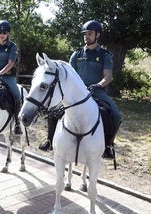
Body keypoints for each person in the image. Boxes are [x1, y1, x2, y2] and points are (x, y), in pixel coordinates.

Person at [38, 20, 121, 159]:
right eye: (85, 34)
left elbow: (108, 76)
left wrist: (99, 85)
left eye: (90, 34)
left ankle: (108, 146)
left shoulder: (105, 55)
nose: (86, 36)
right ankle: (49, 140)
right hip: (76, 91)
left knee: (115, 115)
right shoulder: (76, 54)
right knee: (53, 110)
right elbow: (68, 74)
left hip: (97, 91)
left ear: (97, 35)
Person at [0, 19, 22, 135]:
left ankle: (17, 122)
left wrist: (0, 73)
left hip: (7, 76)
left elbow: (11, 63)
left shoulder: (13, 47)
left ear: (8, 34)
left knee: (17, 95)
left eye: (4, 33)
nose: (1, 35)